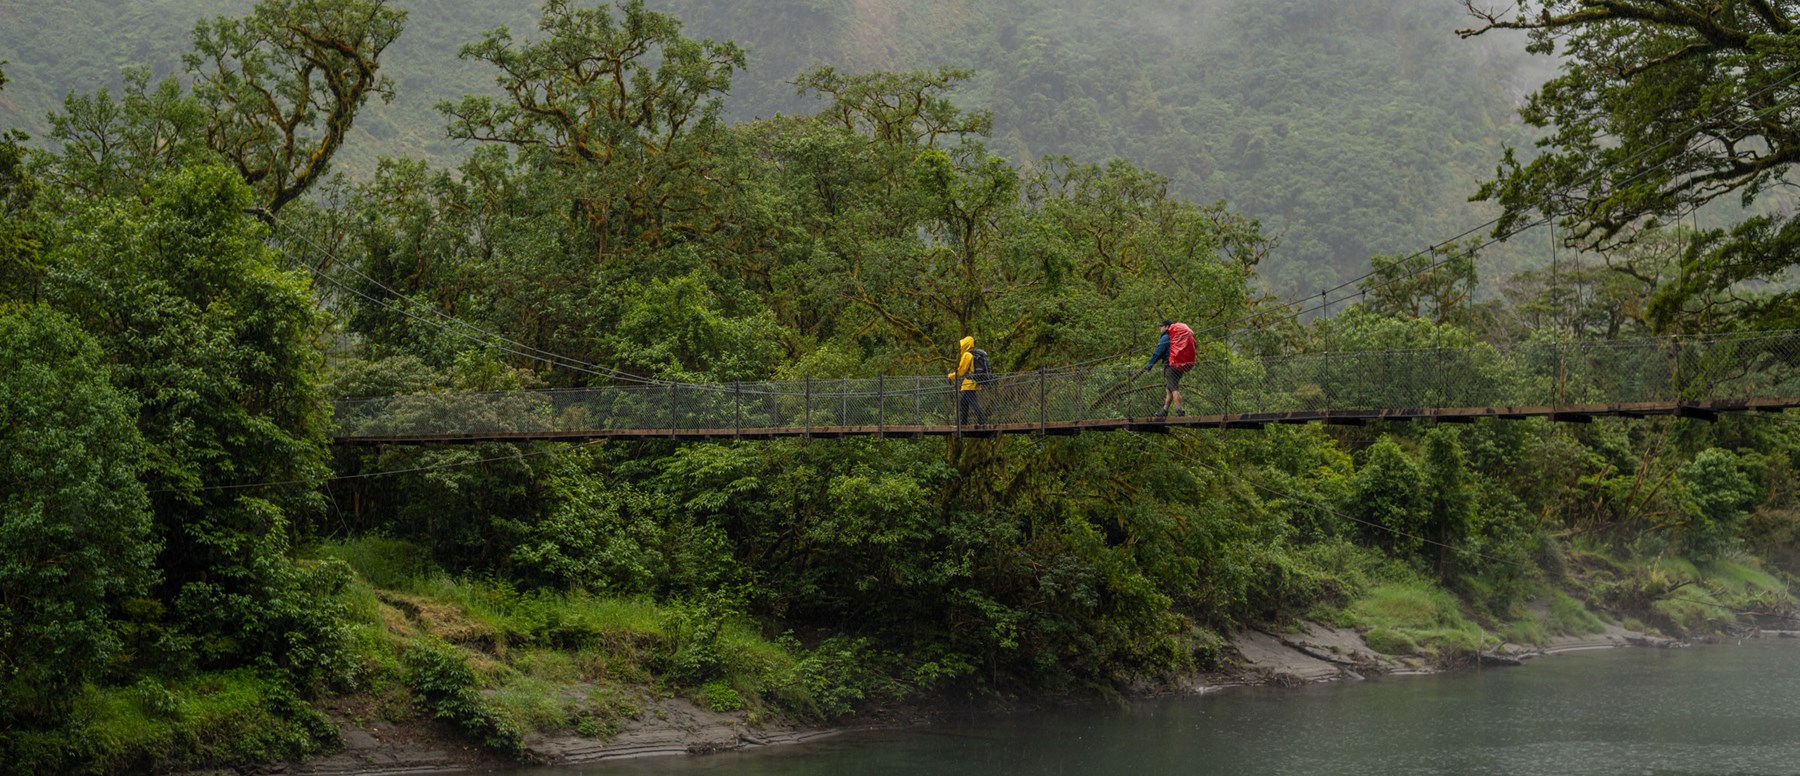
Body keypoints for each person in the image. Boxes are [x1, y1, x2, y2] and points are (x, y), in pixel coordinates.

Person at [1143, 320, 1196, 417]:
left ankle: (1180, 410)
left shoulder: (1167, 337)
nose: (1160, 328)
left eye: (1161, 326)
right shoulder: (1175, 336)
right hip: (1179, 365)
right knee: (1169, 389)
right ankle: (1164, 411)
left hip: (1171, 366)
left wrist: (1150, 364)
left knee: (1174, 388)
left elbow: (1159, 352)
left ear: (1167, 326)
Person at [947, 335, 988, 426]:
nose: (961, 347)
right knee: (964, 402)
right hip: (972, 382)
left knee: (973, 402)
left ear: (966, 345)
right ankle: (963, 422)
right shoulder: (972, 354)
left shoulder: (967, 355)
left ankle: (981, 421)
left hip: (969, 383)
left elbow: (961, 371)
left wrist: (951, 376)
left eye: (962, 345)